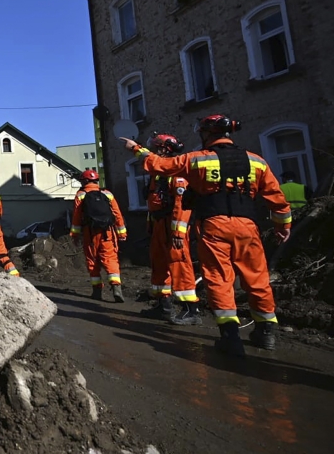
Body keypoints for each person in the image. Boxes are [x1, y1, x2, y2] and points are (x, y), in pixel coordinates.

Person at [122, 114, 291, 357]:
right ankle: (266, 333)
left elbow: (160, 165)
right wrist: (282, 226)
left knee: (220, 279)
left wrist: (136, 149)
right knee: (257, 278)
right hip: (248, 226)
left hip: (214, 227)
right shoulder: (257, 161)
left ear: (206, 133)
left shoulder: (196, 160)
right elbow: (277, 199)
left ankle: (231, 337)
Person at [140, 133, 201, 325]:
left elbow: (181, 205)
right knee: (159, 264)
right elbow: (153, 203)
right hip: (159, 225)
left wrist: (178, 233)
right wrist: (151, 226)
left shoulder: (177, 172)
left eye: (156, 147)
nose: (153, 151)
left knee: (180, 265)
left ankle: (191, 310)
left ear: (165, 150)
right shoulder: (159, 173)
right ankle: (163, 306)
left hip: (172, 226)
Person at [71, 170, 127, 302]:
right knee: (111, 259)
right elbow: (117, 214)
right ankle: (116, 288)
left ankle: (97, 291)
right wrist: (122, 233)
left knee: (92, 261)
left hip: (90, 233)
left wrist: (75, 235)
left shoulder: (80, 195)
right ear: (97, 180)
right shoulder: (107, 194)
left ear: (84, 182)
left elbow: (76, 217)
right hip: (107, 232)